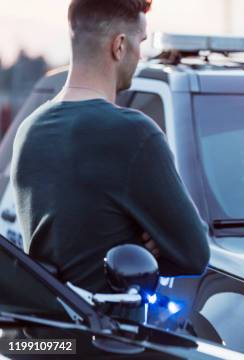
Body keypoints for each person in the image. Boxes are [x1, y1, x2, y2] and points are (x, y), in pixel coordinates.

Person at [11, 0, 210, 293]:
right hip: (108, 332)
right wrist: (149, 243)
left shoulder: (28, 130)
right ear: (119, 46)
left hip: (45, 330)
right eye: (140, 42)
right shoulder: (133, 134)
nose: (140, 55)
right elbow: (194, 254)